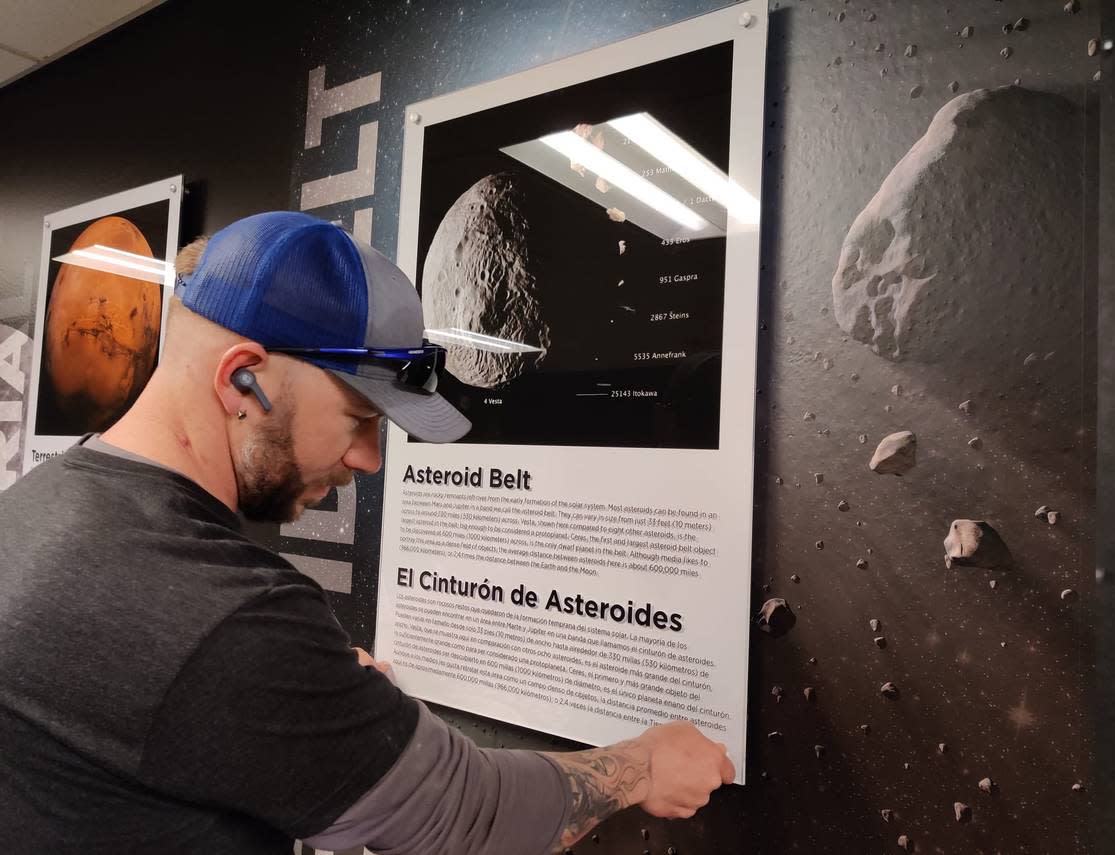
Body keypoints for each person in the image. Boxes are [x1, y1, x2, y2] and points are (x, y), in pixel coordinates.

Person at [0, 211, 733, 853]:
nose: (369, 460)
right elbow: (466, 816)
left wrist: (296, 699)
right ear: (241, 381)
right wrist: (643, 764)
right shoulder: (229, 616)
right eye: (360, 419)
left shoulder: (34, 505)